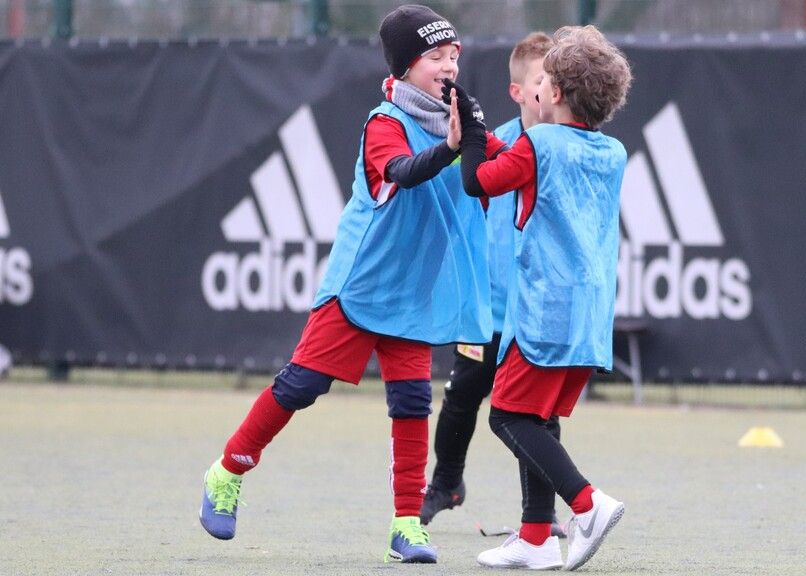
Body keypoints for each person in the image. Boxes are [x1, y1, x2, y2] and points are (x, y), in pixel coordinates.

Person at [197, 4, 505, 564]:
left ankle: (407, 525)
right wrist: (455, 147)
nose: (449, 65)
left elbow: (498, 173)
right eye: (435, 56)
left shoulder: (463, 120)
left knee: (413, 403)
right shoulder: (383, 123)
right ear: (407, 66)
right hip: (359, 290)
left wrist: (508, 148)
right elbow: (404, 173)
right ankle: (227, 470)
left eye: (454, 55)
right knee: (299, 388)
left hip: (414, 296)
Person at [444, 24, 632, 571]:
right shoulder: (611, 150)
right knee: (539, 416)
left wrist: (473, 135)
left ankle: (587, 505)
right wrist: (490, 135)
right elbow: (530, 165)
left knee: (507, 416)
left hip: (545, 309)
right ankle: (535, 538)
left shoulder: (540, 143)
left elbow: (479, 181)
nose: (535, 88)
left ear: (553, 94)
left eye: (544, 80)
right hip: (590, 315)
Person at [419, 32, 566, 540]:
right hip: (488, 309)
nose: (555, 90)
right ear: (518, 91)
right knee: (461, 395)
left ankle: (540, 520)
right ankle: (446, 484)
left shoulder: (563, 149)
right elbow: (461, 200)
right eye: (544, 81)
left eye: (559, 81)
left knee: (536, 415)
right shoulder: (488, 146)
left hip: (535, 313)